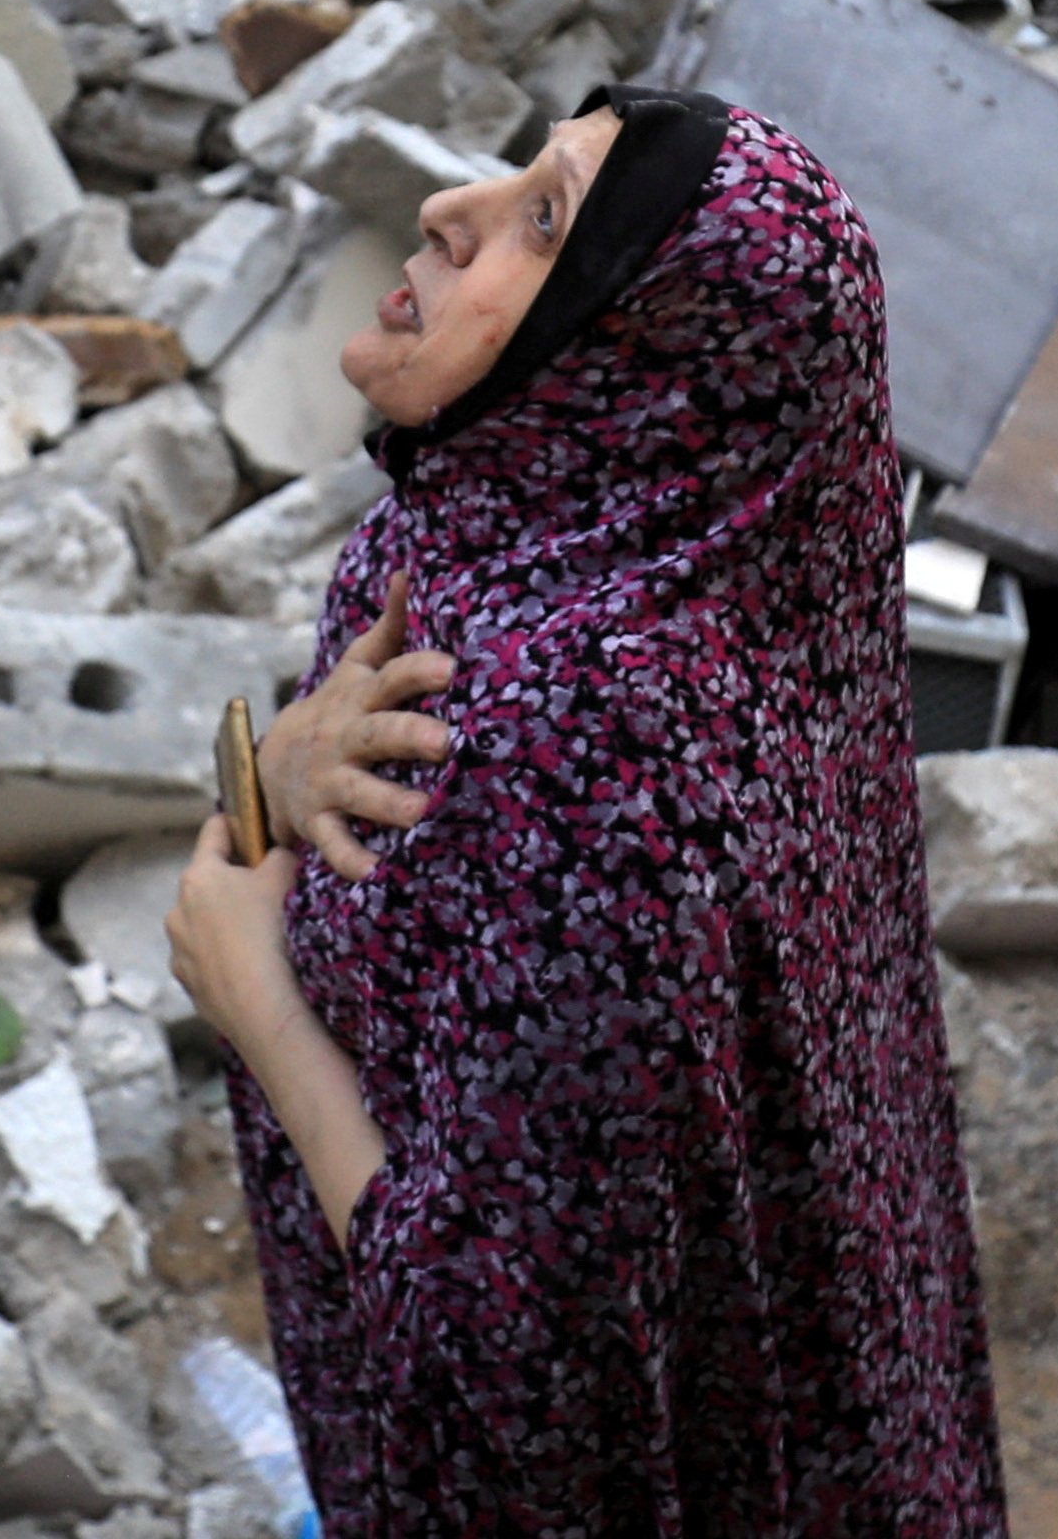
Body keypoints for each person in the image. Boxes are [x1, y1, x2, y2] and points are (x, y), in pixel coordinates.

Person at [166, 85, 1006, 1536]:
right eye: (520, 175)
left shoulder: (574, 754)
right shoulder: (565, 567)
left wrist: (258, 1007)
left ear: (637, 363)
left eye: (541, 220)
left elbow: (509, 1400)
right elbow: (264, 846)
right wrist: (270, 781)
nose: (451, 209)